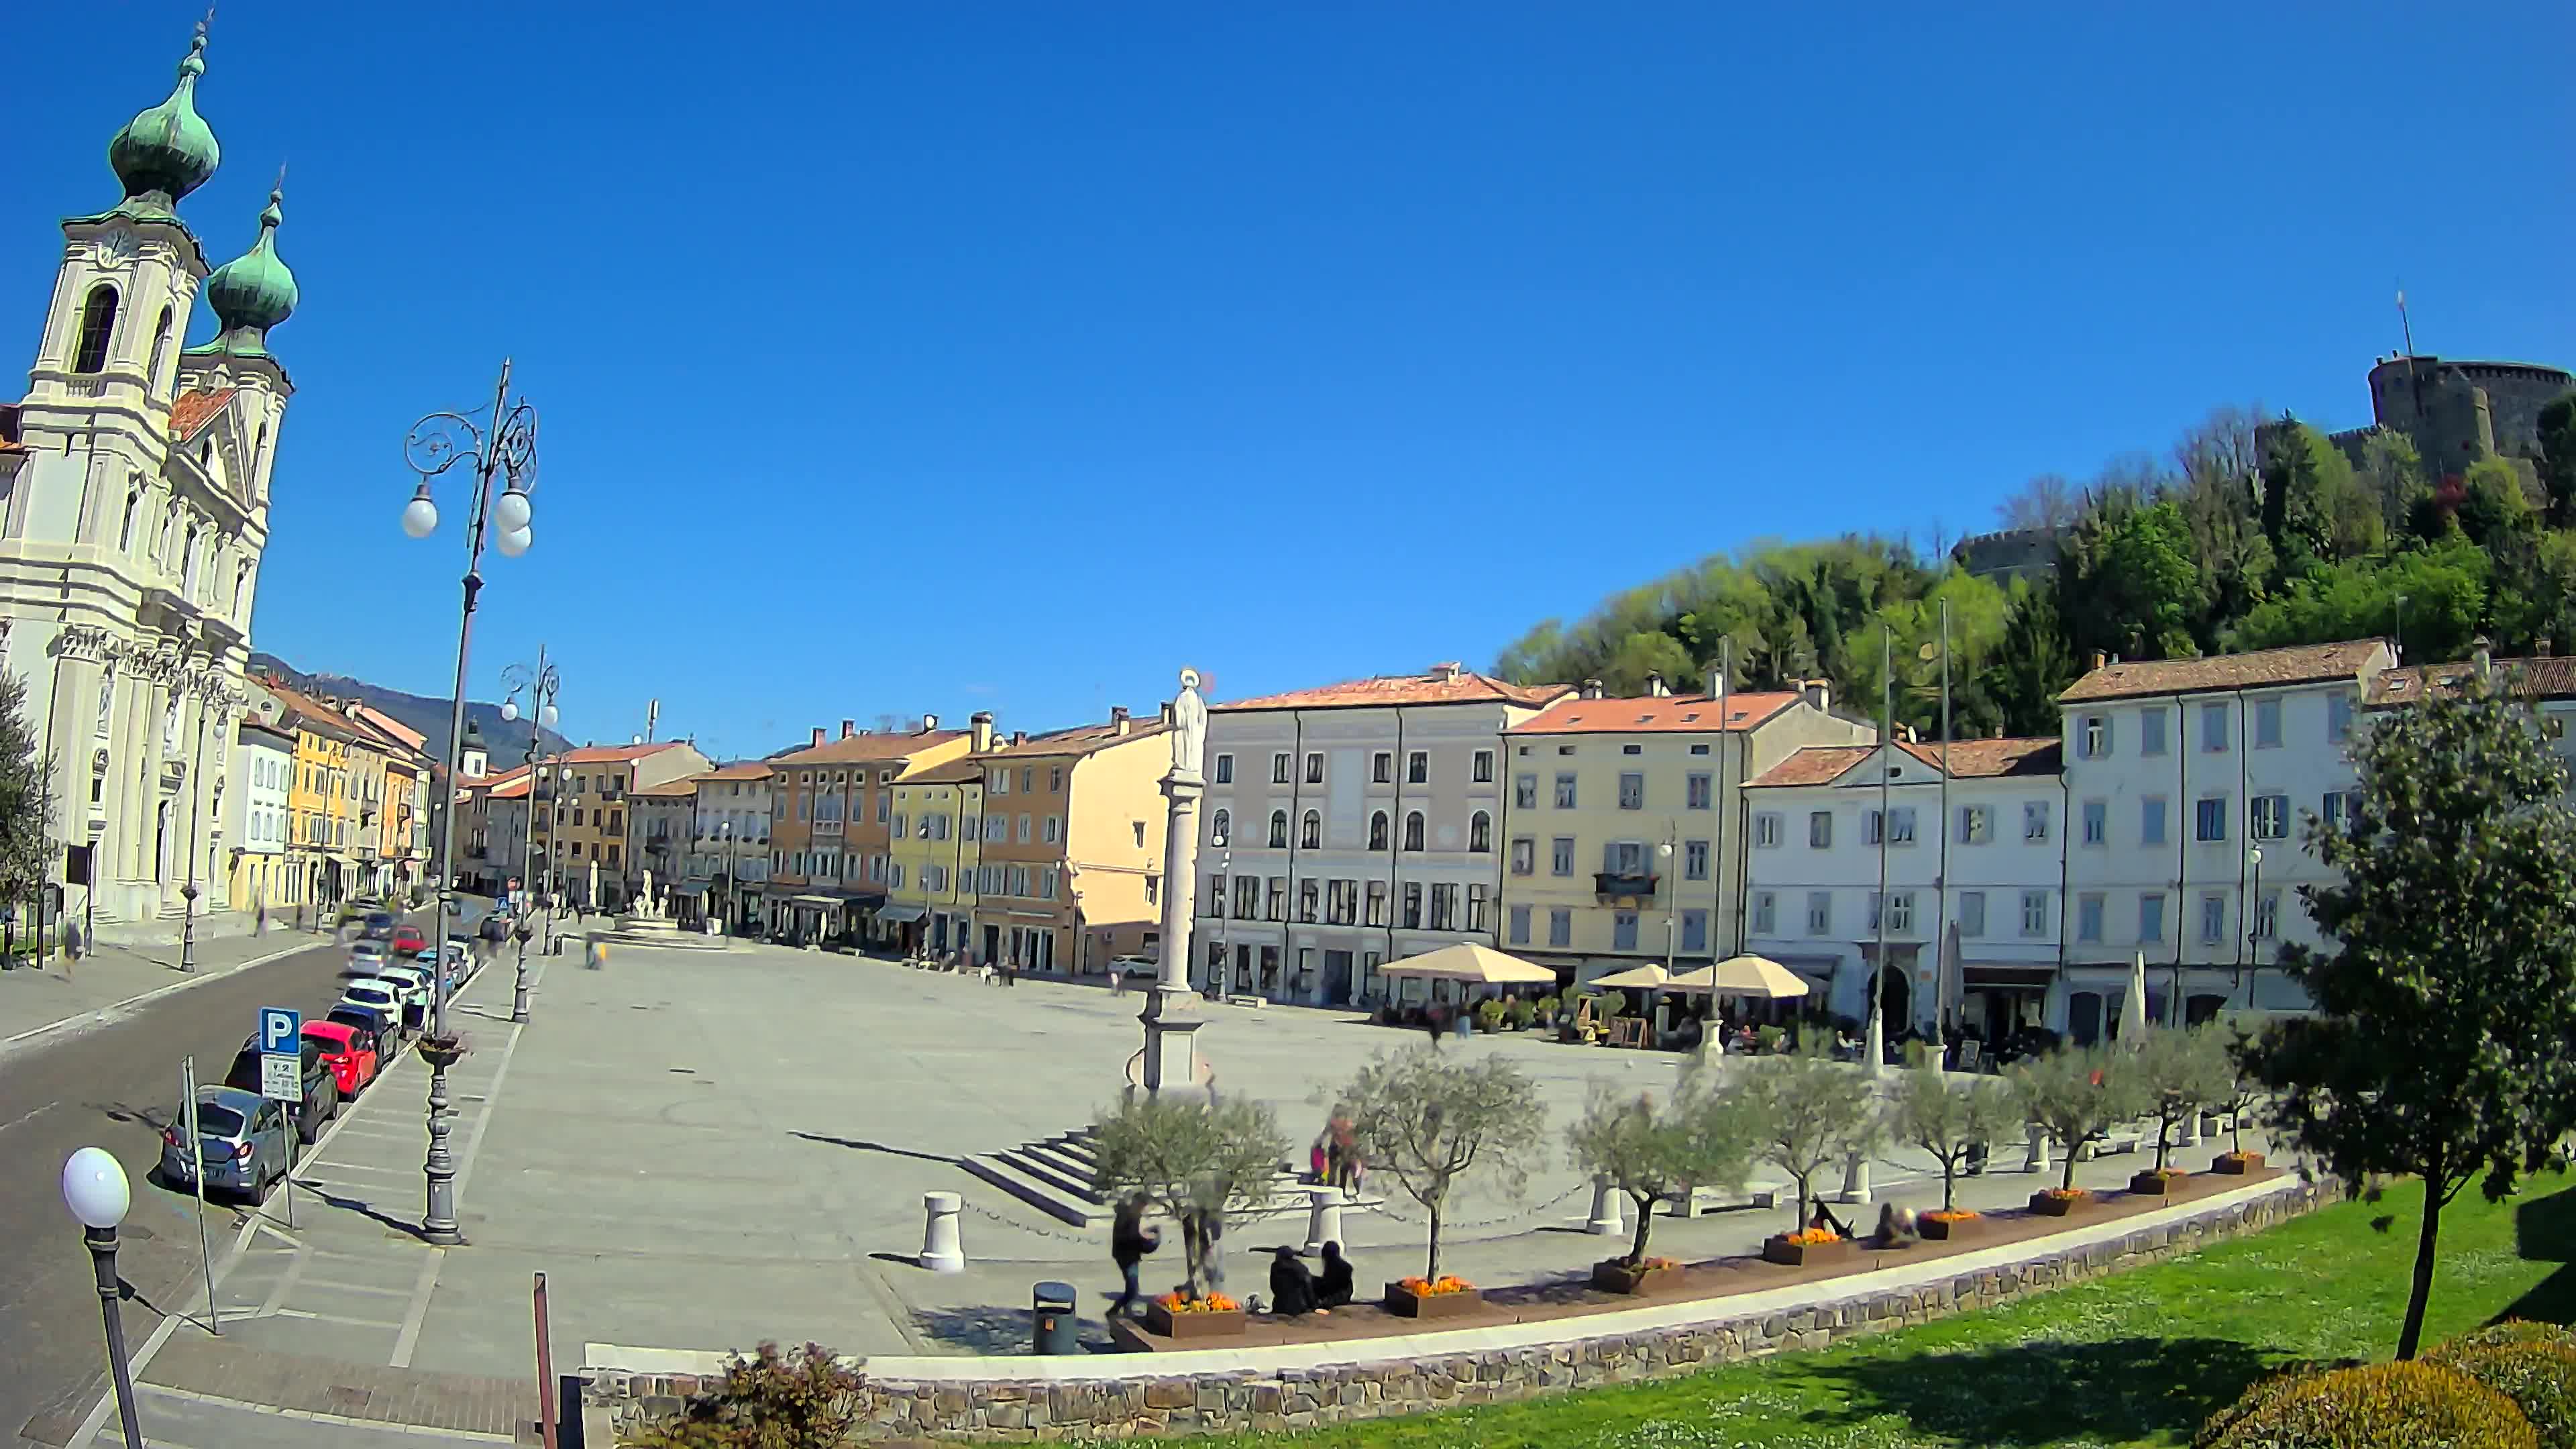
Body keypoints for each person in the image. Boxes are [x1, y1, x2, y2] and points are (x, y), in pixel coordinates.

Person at [1109, 1193, 1158, 1319]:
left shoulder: (1129, 1214)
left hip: (1126, 1255)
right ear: (1138, 1203)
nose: (1143, 1209)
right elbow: (1131, 1239)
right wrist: (1148, 1243)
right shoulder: (1130, 1216)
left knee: (1132, 1286)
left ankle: (1126, 1311)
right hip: (1127, 1257)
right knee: (1133, 1289)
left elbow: (1132, 1237)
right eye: (1143, 1206)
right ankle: (1114, 1311)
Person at [1269, 1246, 1318, 1316]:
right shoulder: (1301, 1267)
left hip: (1280, 1306)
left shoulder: (1275, 1267)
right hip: (1300, 1306)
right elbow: (1308, 1288)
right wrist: (1313, 1305)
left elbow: (1274, 1287)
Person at [1316, 1241, 1355, 1309]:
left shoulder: (1336, 1267)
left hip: (1338, 1298)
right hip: (1342, 1295)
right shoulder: (1344, 1267)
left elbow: (1330, 1286)